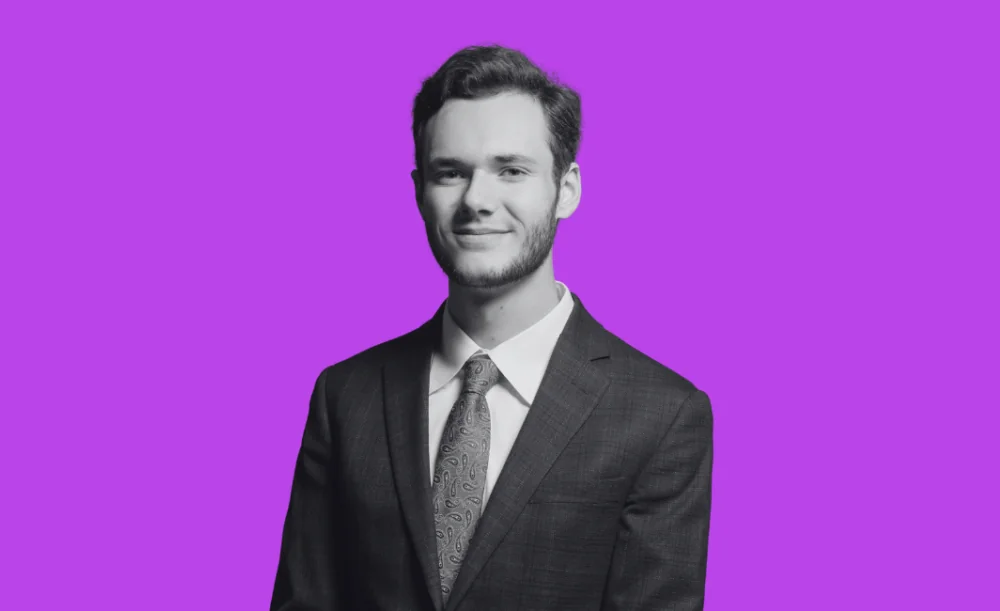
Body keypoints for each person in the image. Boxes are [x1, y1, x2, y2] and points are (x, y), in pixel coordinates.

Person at [270, 44, 714, 611]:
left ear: (567, 190)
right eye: (450, 172)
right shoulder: (345, 395)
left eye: (511, 170)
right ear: (418, 192)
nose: (477, 200)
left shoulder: (662, 414)